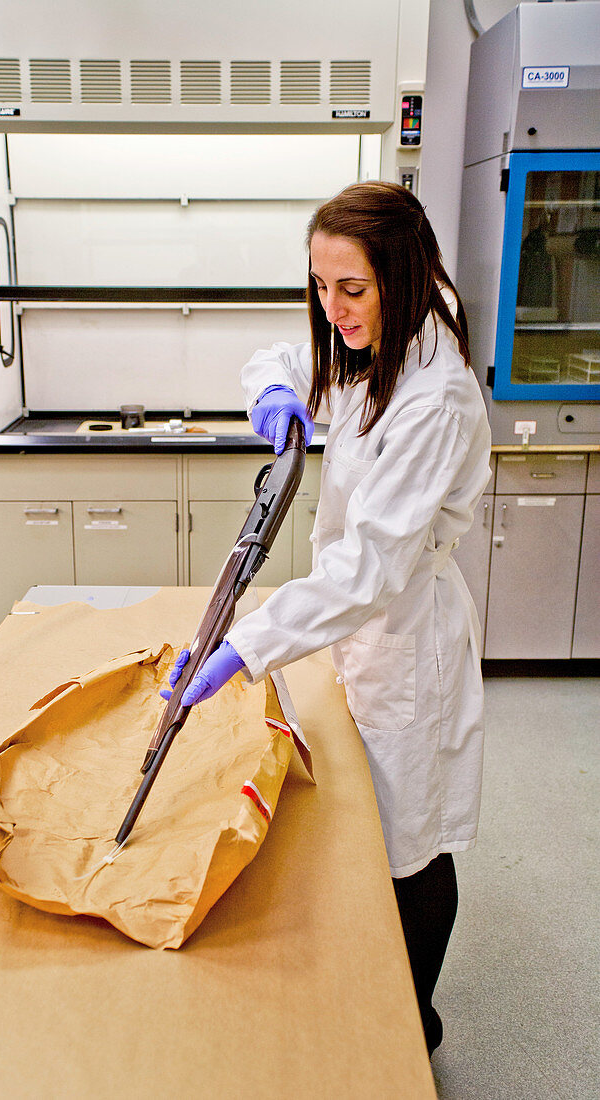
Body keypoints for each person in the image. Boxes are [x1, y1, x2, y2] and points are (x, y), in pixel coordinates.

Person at [163, 180, 492, 1055]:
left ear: (405, 274)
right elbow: (276, 358)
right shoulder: (367, 341)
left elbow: (370, 568)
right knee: (365, 824)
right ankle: (373, 991)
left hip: (402, 637)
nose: (332, 307)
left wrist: (245, 645)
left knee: (409, 841)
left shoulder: (437, 396)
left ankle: (409, 1025)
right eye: (319, 284)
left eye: (352, 288)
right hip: (356, 628)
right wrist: (273, 399)